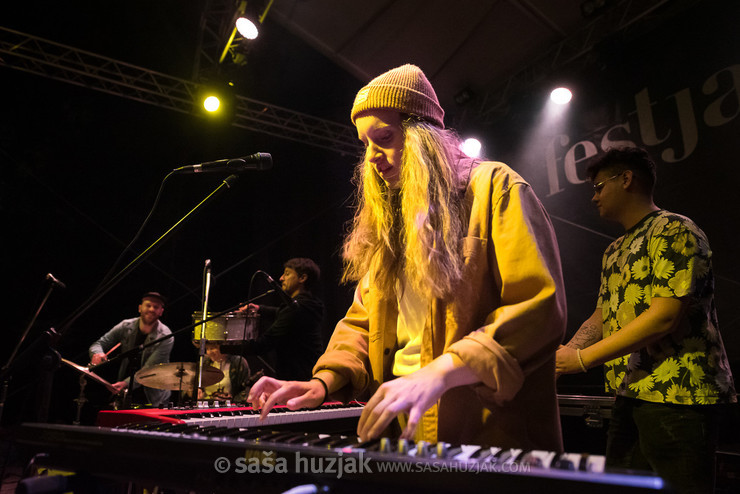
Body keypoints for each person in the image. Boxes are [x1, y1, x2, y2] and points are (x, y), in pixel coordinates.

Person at [248, 64, 566, 449]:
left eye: (384, 137)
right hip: (404, 426)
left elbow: (537, 308)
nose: (371, 158)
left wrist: (440, 372)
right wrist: (322, 382)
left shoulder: (495, 188)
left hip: (485, 430)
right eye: (365, 143)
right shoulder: (390, 219)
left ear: (422, 138)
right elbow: (364, 321)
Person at [555, 147, 736, 493]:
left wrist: (580, 360)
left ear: (626, 179)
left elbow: (664, 317)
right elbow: (604, 313)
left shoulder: (673, 228)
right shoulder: (614, 249)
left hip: (680, 396)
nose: (593, 197)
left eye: (598, 187)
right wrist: (566, 355)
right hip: (632, 392)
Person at [239, 258, 325, 381]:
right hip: (307, 375)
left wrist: (222, 347)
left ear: (302, 278)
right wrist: (259, 308)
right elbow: (281, 312)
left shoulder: (296, 308)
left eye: (287, 274)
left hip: (298, 380)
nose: (281, 278)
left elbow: (263, 345)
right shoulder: (308, 305)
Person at [89, 292, 173, 407]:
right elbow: (99, 343)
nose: (152, 309)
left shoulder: (166, 335)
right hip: (125, 390)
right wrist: (97, 353)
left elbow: (149, 370)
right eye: (148, 305)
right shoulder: (126, 325)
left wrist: (125, 383)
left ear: (161, 312)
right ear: (140, 308)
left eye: (156, 307)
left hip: (152, 396)